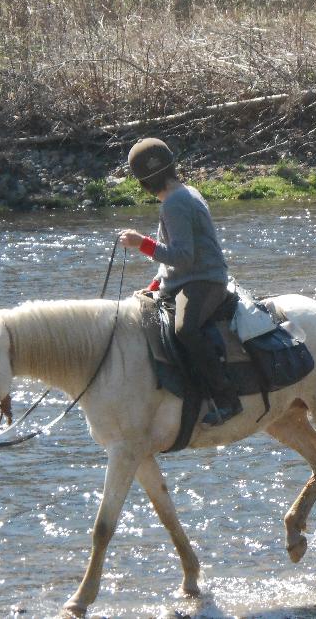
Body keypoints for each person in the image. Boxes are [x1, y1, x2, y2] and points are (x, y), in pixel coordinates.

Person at [118, 138, 242, 426]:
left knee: (185, 329)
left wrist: (142, 244)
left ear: (144, 183)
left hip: (204, 282)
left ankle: (227, 399)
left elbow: (183, 257)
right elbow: (174, 260)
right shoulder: (185, 194)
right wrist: (156, 284)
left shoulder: (174, 204)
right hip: (189, 279)